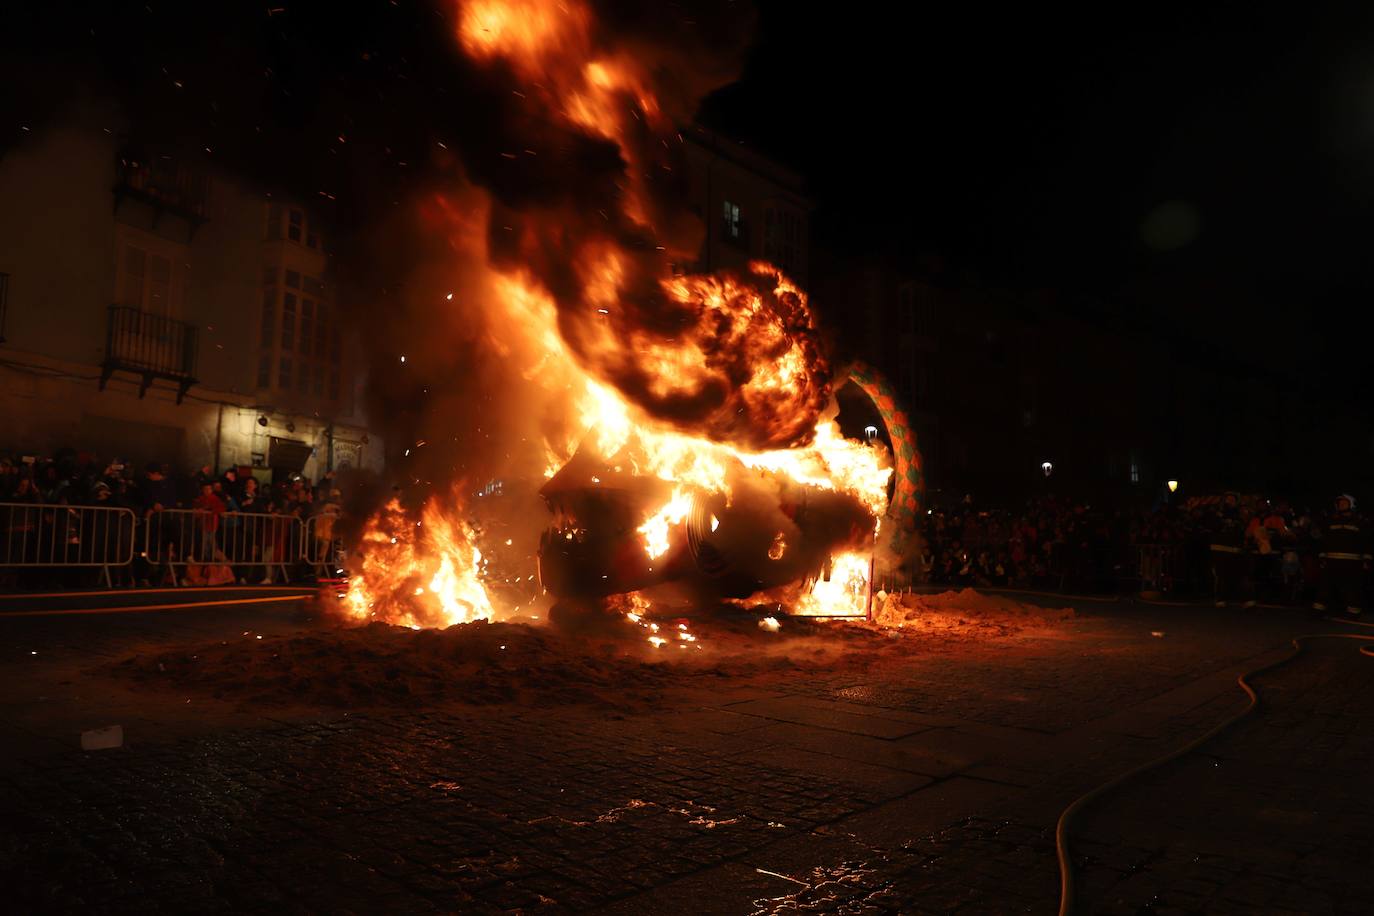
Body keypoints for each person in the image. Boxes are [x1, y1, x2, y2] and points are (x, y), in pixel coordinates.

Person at [1313, 494, 1368, 618]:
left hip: (1352, 561)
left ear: (1351, 505)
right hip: (1332, 559)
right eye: (1340, 503)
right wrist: (1322, 556)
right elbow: (1324, 540)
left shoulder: (1359, 522)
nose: (1341, 505)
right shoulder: (1330, 521)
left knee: (1351, 587)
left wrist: (1367, 559)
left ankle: (1353, 612)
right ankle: (1318, 610)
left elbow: (1366, 540)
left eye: (1345, 503)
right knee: (1325, 586)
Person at [1207, 493, 1247, 607]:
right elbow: (1213, 526)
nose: (1230, 501)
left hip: (1235, 547)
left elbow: (1242, 528)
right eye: (1228, 499)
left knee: (1238, 573)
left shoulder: (1240, 514)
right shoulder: (1218, 513)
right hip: (1220, 547)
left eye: (1232, 499)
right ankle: (1220, 598)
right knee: (1221, 574)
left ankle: (1241, 598)